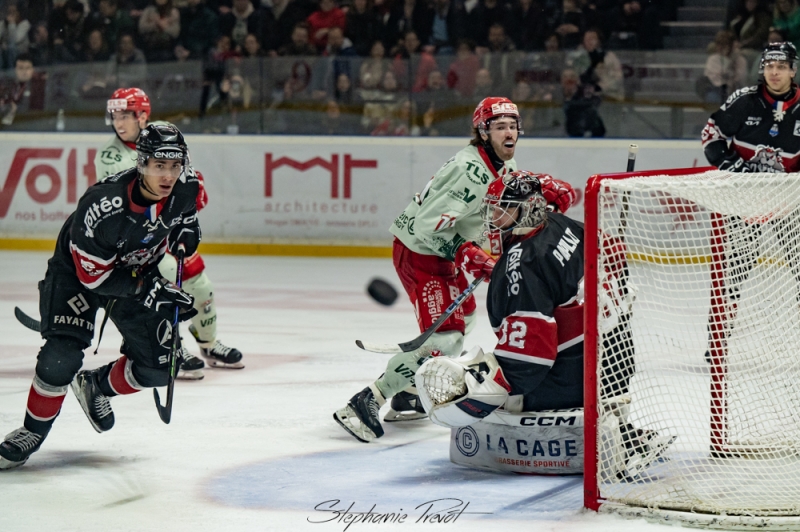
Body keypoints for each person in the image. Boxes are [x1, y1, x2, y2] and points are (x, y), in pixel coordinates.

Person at [334, 97, 576, 443]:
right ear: (483, 132)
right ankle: (365, 401)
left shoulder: (502, 163)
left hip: (442, 252)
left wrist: (539, 189)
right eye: (500, 127)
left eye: (513, 126)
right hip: (420, 252)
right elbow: (425, 226)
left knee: (466, 321)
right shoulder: (468, 170)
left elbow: (503, 202)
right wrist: (468, 254)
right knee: (446, 340)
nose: (509, 133)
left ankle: (408, 393)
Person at [416, 170, 674, 478]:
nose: (494, 217)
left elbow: (531, 357)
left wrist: (499, 388)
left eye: (504, 209)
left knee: (488, 389)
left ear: (528, 209)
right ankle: (622, 431)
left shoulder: (524, 263)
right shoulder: (564, 223)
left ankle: (611, 441)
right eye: (493, 209)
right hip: (617, 363)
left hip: (576, 378)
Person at [0, 124, 200, 470]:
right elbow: (94, 278)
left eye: (174, 165)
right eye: (159, 166)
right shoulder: (104, 206)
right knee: (60, 357)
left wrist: (186, 232)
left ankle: (95, 386)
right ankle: (32, 431)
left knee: (160, 367)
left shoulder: (186, 185)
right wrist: (149, 290)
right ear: (141, 163)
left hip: (136, 271)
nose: (168, 175)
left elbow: (186, 218)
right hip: (78, 274)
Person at [95, 87, 244, 379]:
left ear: (142, 116)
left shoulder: (165, 136)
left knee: (200, 286)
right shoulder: (110, 156)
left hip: (165, 232)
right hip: (134, 242)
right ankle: (170, 347)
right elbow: (134, 203)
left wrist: (192, 192)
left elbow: (184, 177)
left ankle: (209, 344)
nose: (118, 122)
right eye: (115, 116)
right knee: (164, 284)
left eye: (125, 115)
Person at [702, 42, 800, 172]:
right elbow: (711, 134)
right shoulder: (744, 100)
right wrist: (731, 166)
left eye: (781, 67)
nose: (774, 72)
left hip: (787, 185)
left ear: (793, 71)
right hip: (740, 183)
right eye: (769, 66)